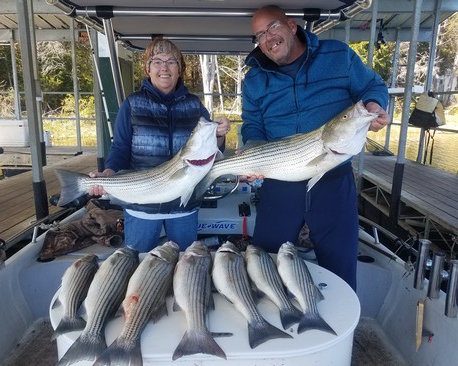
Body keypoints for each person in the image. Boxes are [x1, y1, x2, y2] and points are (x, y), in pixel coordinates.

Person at [241, 5, 390, 290]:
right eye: (259, 35)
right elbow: (252, 125)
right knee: (265, 261)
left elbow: (373, 86)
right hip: (279, 177)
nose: (268, 38)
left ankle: (340, 332)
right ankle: (270, 323)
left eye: (272, 27)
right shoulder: (254, 79)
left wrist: (373, 105)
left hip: (334, 178)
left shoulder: (337, 55)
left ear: (292, 25)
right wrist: (253, 155)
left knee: (340, 265)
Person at [89, 38, 230, 252]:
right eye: (157, 62)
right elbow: (120, 148)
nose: (164, 67)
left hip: (185, 205)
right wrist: (109, 173)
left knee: (186, 265)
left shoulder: (195, 105)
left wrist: (219, 134)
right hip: (141, 206)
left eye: (172, 62)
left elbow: (213, 148)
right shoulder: (132, 104)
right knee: (136, 264)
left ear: (180, 68)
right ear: (148, 69)